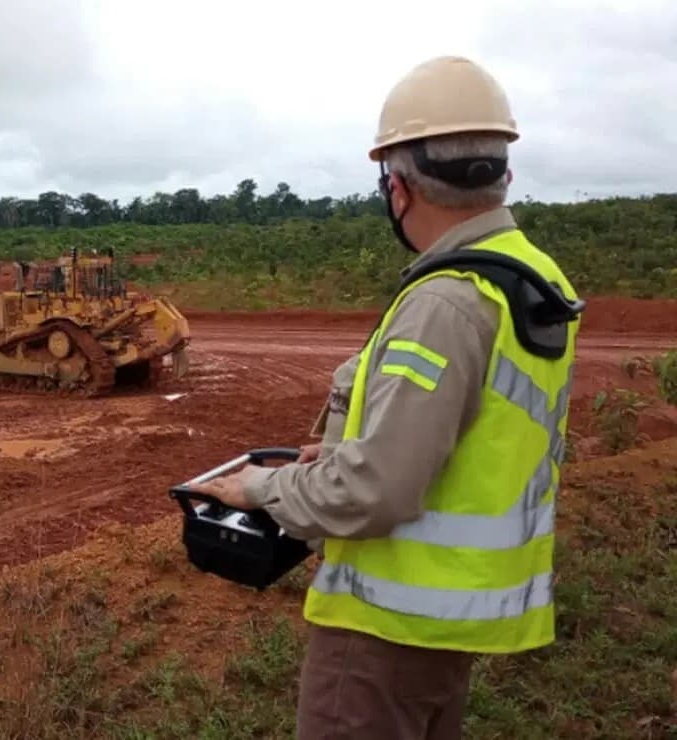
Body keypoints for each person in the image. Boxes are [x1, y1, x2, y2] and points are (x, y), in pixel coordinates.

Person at [192, 55, 582, 739]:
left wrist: (262, 488)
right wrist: (349, 447)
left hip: (385, 630)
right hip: (451, 617)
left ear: (397, 187)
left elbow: (376, 492)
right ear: (503, 173)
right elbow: (477, 429)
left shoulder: (444, 303)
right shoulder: (532, 276)